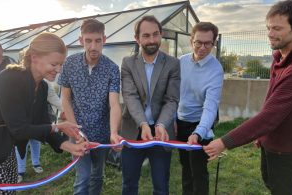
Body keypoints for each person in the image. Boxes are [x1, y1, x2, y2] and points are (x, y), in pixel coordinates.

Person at [0, 33, 88, 195]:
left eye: (61, 64)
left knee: (10, 192)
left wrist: (69, 146)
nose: (59, 70)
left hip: (4, 150)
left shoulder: (42, 87)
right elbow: (19, 129)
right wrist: (57, 127)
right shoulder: (10, 79)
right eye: (54, 64)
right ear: (34, 58)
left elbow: (41, 122)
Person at [204, 1, 292, 195]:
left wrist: (224, 142)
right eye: (268, 28)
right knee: (269, 182)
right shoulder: (279, 58)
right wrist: (261, 134)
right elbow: (270, 100)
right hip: (270, 140)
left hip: (287, 146)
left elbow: (270, 116)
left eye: (277, 28)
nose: (270, 33)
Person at [58, 18, 121, 195]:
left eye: (98, 41)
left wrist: (113, 132)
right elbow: (65, 98)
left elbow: (114, 104)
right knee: (83, 177)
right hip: (78, 133)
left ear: (104, 40)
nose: (93, 46)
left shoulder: (112, 68)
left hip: (101, 134)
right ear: (81, 41)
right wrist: (75, 130)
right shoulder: (69, 64)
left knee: (97, 176)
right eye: (88, 41)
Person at [120, 15, 180, 195]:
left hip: (162, 131)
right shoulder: (128, 63)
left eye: (155, 34)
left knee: (161, 185)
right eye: (146, 36)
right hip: (133, 129)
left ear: (161, 34)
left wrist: (160, 124)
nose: (152, 40)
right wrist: (143, 124)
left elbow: (171, 99)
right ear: (137, 38)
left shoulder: (172, 64)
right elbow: (130, 96)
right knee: (129, 184)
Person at [176, 22, 223, 195]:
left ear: (213, 43)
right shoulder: (181, 62)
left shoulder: (216, 69)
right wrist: (174, 118)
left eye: (207, 43)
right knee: (186, 168)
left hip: (200, 123)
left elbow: (210, 107)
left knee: (199, 171)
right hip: (181, 122)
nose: (202, 48)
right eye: (198, 42)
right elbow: (174, 95)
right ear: (191, 41)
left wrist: (198, 133)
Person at [15, 80, 63, 183]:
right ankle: (20, 170)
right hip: (22, 121)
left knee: (35, 141)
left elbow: (56, 101)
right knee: (20, 144)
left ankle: (36, 163)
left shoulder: (45, 85)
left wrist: (67, 111)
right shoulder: (18, 82)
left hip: (37, 120)